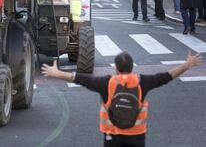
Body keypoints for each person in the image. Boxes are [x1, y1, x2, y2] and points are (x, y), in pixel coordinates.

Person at [41, 51, 203, 147]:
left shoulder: (106, 83)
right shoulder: (143, 82)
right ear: (132, 67)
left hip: (113, 136)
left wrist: (57, 73)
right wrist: (187, 64)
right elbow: (167, 76)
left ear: (116, 68)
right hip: (137, 136)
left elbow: (79, 78)